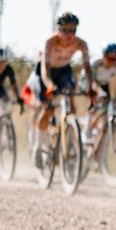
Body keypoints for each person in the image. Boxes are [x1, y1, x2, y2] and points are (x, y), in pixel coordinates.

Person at [26, 13, 94, 166]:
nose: (70, 35)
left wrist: (91, 87)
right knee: (48, 108)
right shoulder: (50, 42)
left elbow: (87, 68)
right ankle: (39, 145)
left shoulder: (81, 44)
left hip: (64, 70)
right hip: (46, 73)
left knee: (71, 101)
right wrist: (50, 85)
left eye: (73, 30)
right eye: (66, 30)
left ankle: (69, 138)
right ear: (59, 29)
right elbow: (45, 70)